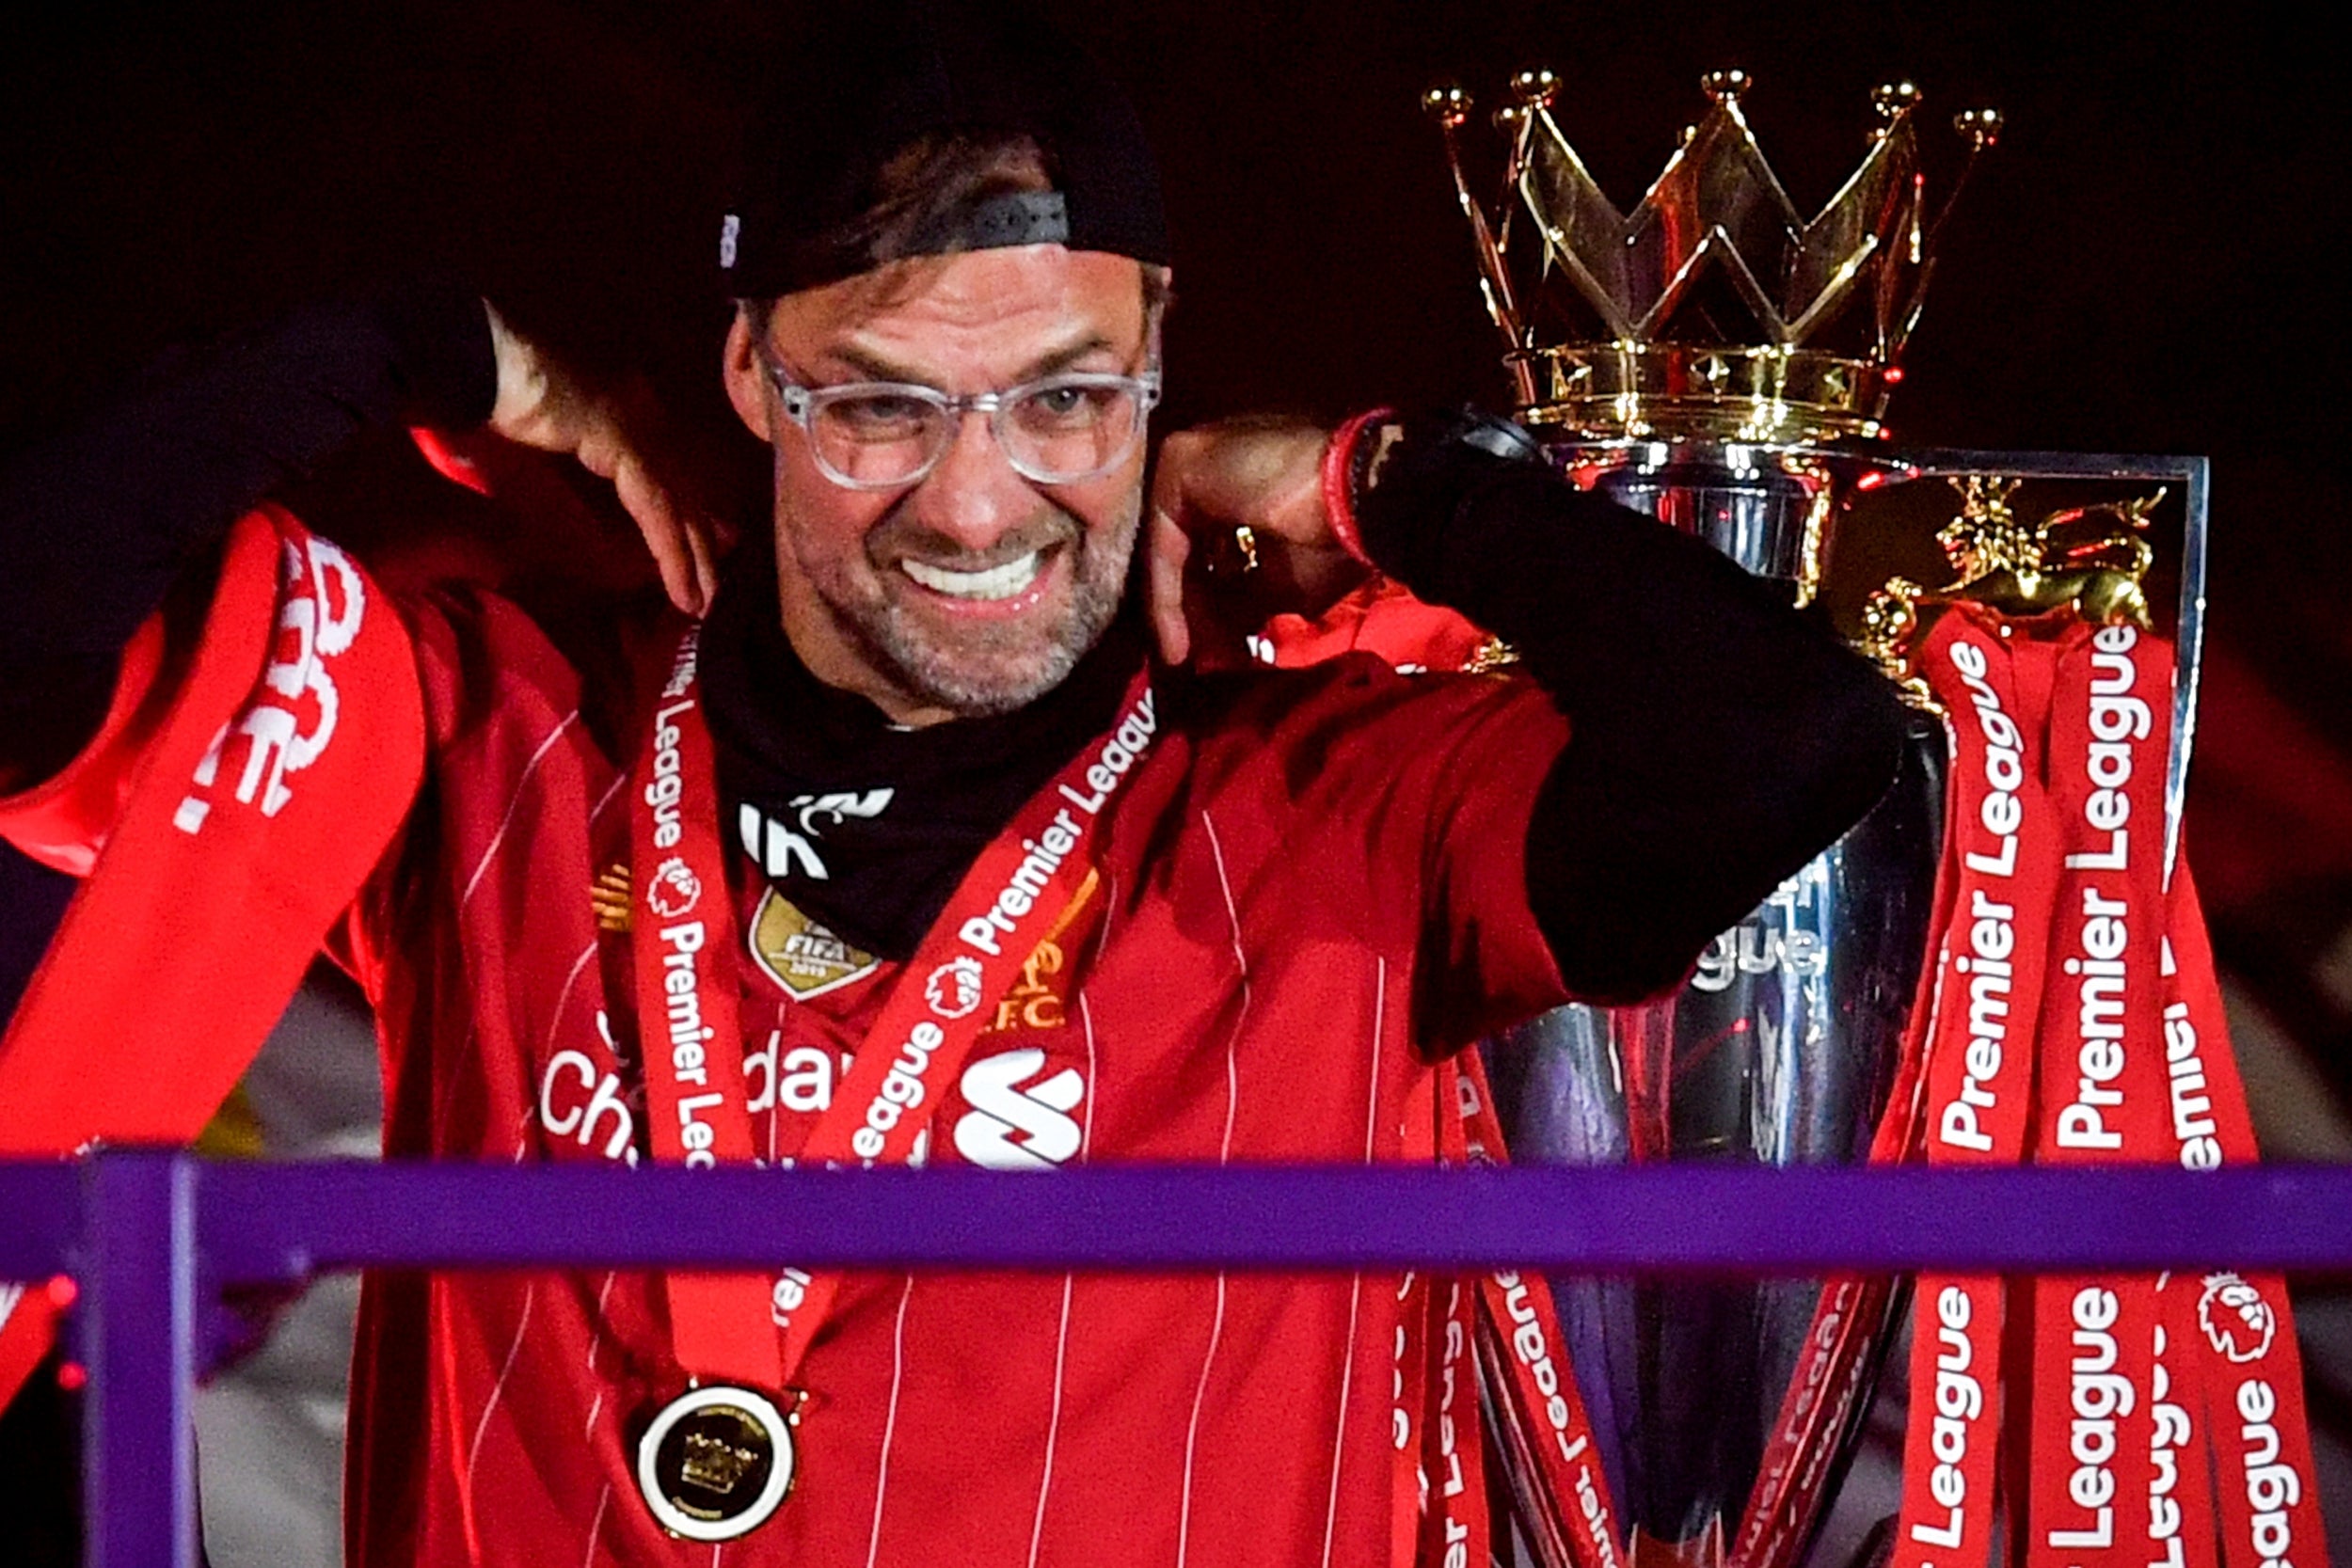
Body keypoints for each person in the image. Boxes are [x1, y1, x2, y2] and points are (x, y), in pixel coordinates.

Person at [0, 6, 1905, 1562]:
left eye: (1066, 398)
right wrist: (409, 350)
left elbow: (1784, 748)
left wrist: (1376, 481)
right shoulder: (484, 731)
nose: (977, 498)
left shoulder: (1328, 809)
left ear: (1160, 360)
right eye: (882, 407)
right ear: (751, 379)